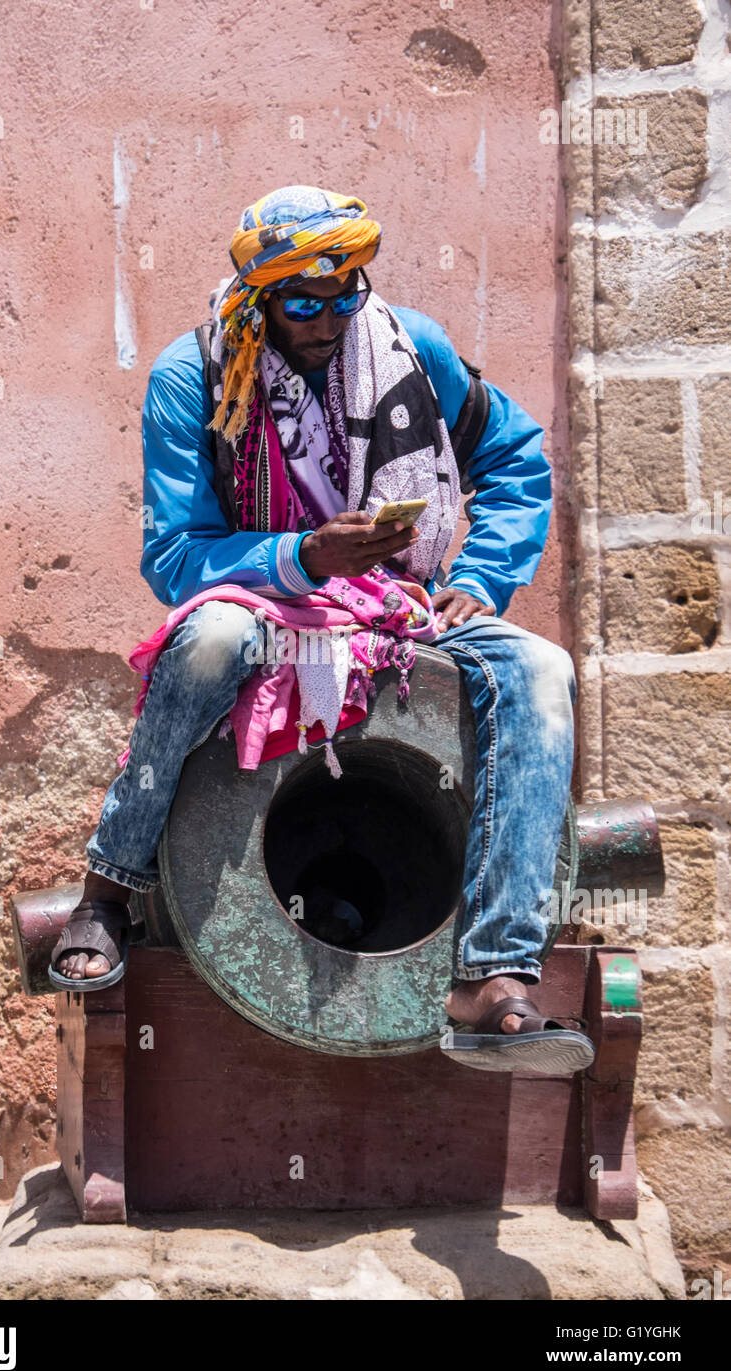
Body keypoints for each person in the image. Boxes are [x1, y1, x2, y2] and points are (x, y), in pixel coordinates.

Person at [49, 184, 593, 1072]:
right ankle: (109, 891)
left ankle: (492, 972)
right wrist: (304, 558)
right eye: (306, 301)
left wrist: (483, 579)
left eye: (349, 293)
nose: (333, 317)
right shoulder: (192, 377)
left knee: (541, 669)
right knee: (213, 640)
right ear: (261, 295)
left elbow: (516, 460)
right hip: (272, 601)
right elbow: (177, 559)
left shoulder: (414, 349)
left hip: (403, 608)